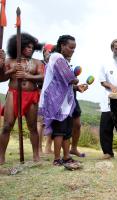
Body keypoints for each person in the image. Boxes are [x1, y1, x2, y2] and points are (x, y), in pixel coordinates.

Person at [0, 33, 44, 165]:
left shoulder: (37, 62)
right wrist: (9, 69)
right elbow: (1, 78)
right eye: (27, 46)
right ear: (19, 47)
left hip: (31, 95)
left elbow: (43, 77)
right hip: (13, 94)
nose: (30, 49)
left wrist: (27, 75)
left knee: (32, 127)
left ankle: (36, 155)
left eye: (32, 47)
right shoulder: (9, 61)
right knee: (7, 126)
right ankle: (1, 156)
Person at [39, 35, 79, 166]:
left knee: (67, 131)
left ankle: (66, 156)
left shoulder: (63, 59)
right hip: (56, 101)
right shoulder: (57, 57)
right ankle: (57, 159)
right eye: (71, 47)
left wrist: (77, 87)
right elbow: (68, 77)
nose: (73, 50)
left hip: (64, 102)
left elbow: (64, 80)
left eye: (74, 48)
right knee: (59, 131)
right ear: (62, 46)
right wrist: (75, 79)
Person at [37, 44, 55, 154]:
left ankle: (48, 147)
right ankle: (38, 148)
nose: (49, 54)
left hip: (54, 96)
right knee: (41, 122)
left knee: (52, 122)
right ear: (44, 52)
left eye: (51, 52)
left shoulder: (56, 64)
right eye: (47, 51)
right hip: (42, 94)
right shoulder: (40, 64)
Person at [69, 63, 88, 158]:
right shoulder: (59, 64)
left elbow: (71, 85)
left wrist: (80, 87)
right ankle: (62, 152)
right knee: (64, 127)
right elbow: (60, 84)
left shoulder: (72, 66)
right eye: (70, 47)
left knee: (77, 125)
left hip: (73, 99)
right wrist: (76, 87)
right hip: (62, 100)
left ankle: (73, 148)